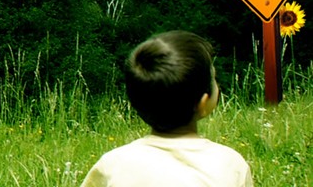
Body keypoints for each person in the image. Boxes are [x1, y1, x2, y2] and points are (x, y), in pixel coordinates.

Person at [80, 31, 252, 187]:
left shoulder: (112, 165)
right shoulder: (230, 165)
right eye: (213, 78)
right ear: (203, 103)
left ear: (135, 103)